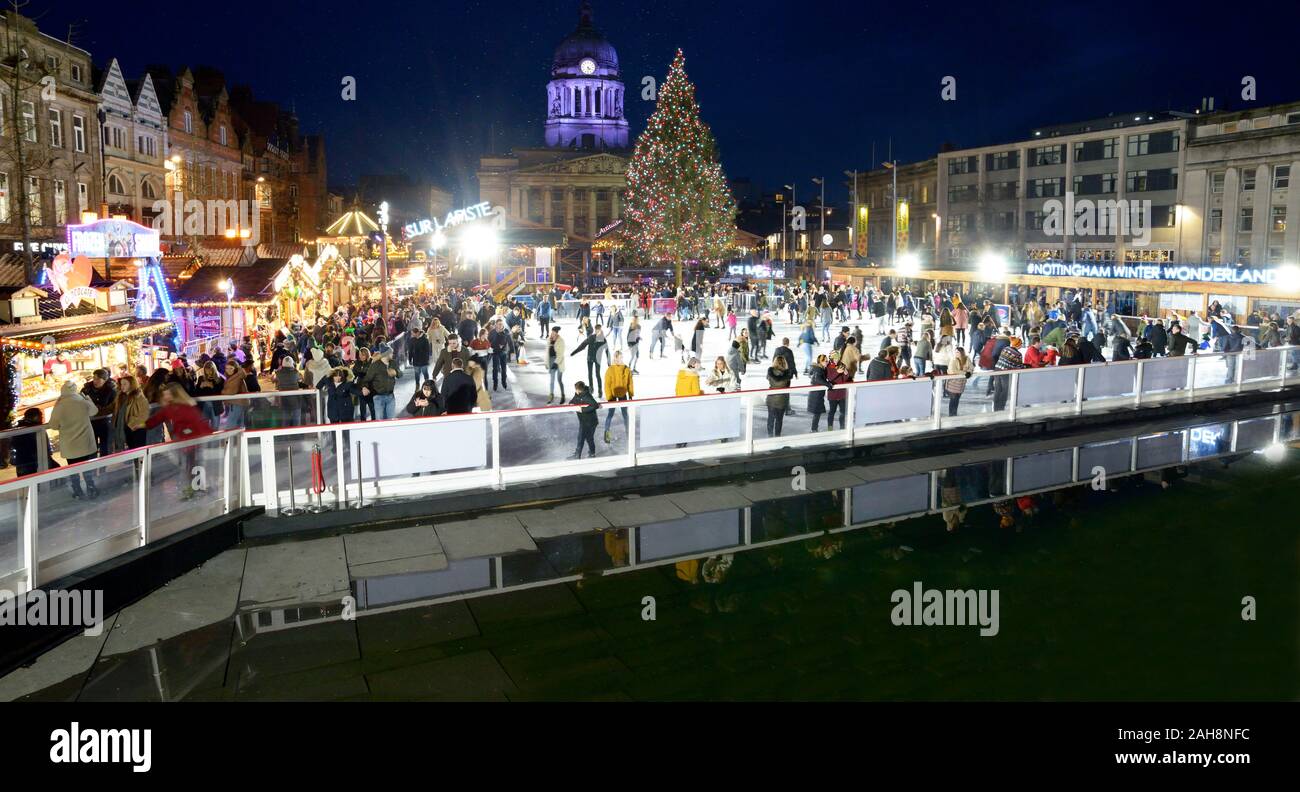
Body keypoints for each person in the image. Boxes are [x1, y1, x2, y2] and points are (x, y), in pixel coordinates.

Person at [48, 380, 100, 498]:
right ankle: (91, 487)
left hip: (70, 444)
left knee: (73, 469)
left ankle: (77, 490)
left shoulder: (59, 406)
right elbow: (94, 411)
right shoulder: (82, 401)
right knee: (87, 467)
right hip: (85, 441)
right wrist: (86, 398)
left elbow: (53, 425)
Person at [81, 368, 117, 457]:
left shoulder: (111, 390)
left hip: (106, 422)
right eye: (94, 378)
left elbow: (114, 406)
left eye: (98, 379)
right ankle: (93, 465)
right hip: (91, 422)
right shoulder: (87, 389)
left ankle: (103, 467)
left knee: (105, 446)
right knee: (92, 446)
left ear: (104, 380)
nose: (95, 381)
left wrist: (99, 410)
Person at [11, 408, 57, 477]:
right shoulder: (28, 429)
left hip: (31, 462)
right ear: (35, 417)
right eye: (40, 416)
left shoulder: (34, 427)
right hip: (29, 463)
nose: (42, 418)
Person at [360, 344, 399, 421]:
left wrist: (396, 372)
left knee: (391, 421)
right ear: (386, 354)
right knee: (380, 421)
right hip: (378, 397)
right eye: (391, 353)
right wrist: (364, 387)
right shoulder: (375, 366)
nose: (392, 354)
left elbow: (400, 374)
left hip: (391, 396)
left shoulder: (393, 363)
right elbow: (366, 379)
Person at [111, 375, 151, 451]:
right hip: (126, 428)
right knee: (131, 451)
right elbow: (111, 408)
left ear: (131, 384)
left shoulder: (139, 397)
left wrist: (131, 424)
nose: (122, 386)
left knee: (138, 451)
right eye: (121, 384)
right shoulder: (120, 397)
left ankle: (139, 463)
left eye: (125, 384)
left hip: (136, 429)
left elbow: (144, 414)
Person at [603, 351, 634, 443]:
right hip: (612, 394)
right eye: (619, 358)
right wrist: (609, 397)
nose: (621, 359)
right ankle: (607, 435)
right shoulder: (610, 369)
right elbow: (607, 384)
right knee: (610, 414)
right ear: (615, 358)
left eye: (622, 357)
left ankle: (628, 433)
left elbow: (630, 383)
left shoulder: (626, 369)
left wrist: (631, 394)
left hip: (623, 394)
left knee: (625, 415)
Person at [571, 325, 610, 395]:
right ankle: (591, 388)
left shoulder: (603, 339)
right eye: (596, 330)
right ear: (595, 330)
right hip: (590, 358)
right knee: (590, 374)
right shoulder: (591, 337)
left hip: (598, 359)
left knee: (597, 374)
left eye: (599, 330)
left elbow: (607, 351)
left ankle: (600, 389)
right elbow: (583, 345)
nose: (597, 332)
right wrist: (574, 352)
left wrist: (609, 362)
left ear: (601, 330)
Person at [569, 381, 600, 459]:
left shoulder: (587, 396)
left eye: (576, 389)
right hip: (583, 420)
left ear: (579, 390)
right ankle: (586, 453)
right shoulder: (578, 394)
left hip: (590, 421)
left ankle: (582, 454)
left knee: (585, 438)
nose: (575, 391)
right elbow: (574, 400)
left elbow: (595, 405)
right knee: (584, 437)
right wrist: (571, 403)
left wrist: (582, 410)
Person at [765, 356, 794, 437]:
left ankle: (769, 435)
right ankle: (777, 436)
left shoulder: (770, 371)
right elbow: (787, 386)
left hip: (771, 398)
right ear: (784, 363)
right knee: (779, 419)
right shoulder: (787, 374)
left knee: (770, 418)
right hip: (781, 400)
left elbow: (768, 378)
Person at [945, 346, 975, 416]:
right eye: (955, 352)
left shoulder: (967, 359)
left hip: (961, 384)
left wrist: (969, 372)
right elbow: (953, 370)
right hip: (953, 383)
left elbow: (971, 367)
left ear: (961, 353)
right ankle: (951, 414)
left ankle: (954, 414)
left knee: (957, 399)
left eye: (957, 352)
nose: (956, 353)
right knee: (953, 400)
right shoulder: (953, 360)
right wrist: (965, 373)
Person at [221, 361, 249, 428]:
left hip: (237, 403)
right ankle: (237, 438)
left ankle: (232, 437)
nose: (228, 370)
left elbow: (231, 391)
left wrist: (222, 392)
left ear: (235, 368)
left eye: (231, 368)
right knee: (239, 424)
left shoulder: (237, 377)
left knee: (231, 424)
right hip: (238, 403)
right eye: (226, 368)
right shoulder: (233, 376)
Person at [547, 326, 568, 405]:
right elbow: (547, 352)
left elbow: (561, 354)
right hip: (551, 361)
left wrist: (556, 363)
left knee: (559, 380)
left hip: (559, 362)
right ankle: (551, 395)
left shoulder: (561, 341)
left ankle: (563, 395)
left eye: (554, 333)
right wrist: (547, 362)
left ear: (557, 333)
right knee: (552, 380)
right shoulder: (549, 340)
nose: (552, 334)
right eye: (552, 332)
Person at [808, 354, 830, 430]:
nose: (827, 362)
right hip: (816, 394)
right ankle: (814, 429)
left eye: (827, 360)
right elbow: (818, 379)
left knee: (817, 413)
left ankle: (814, 428)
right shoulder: (818, 369)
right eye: (825, 361)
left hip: (817, 393)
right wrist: (828, 384)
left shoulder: (821, 368)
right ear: (820, 361)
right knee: (817, 412)